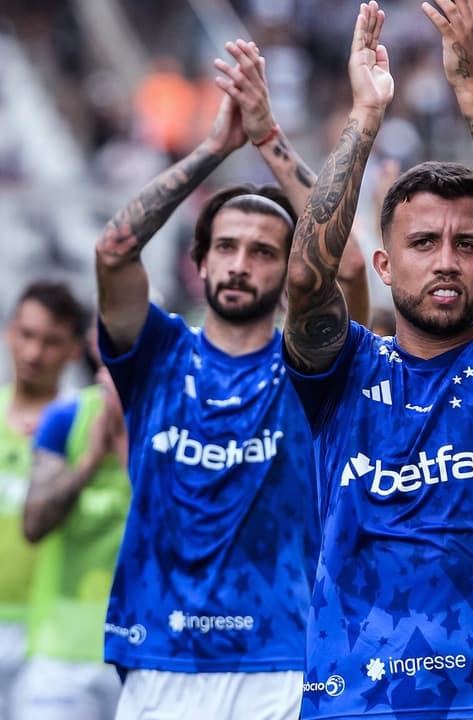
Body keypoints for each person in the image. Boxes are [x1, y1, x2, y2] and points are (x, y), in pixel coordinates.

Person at [282, 3, 473, 718]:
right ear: (383, 265)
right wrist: (365, 115)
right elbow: (305, 280)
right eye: (423, 243)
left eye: (468, 245)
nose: (446, 260)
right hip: (351, 704)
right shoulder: (343, 372)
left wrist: (471, 87)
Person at [93, 37, 366, 719]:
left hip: (276, 661)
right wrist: (215, 148)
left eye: (263, 252)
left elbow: (353, 269)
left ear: (286, 272)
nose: (242, 263)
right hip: (157, 653)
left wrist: (268, 137)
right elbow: (115, 249)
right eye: (227, 247)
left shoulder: (312, 370)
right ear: (201, 264)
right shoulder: (155, 354)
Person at [16, 334, 130, 720]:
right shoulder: (66, 419)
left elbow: (181, 535)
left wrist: (125, 451)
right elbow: (33, 525)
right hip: (60, 659)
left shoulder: (172, 423)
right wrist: (89, 461)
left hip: (139, 655)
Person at [0, 280, 88, 720]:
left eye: (51, 342)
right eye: (27, 335)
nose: (34, 354)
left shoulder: (84, 426)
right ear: (8, 332)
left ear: (75, 350)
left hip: (50, 637)